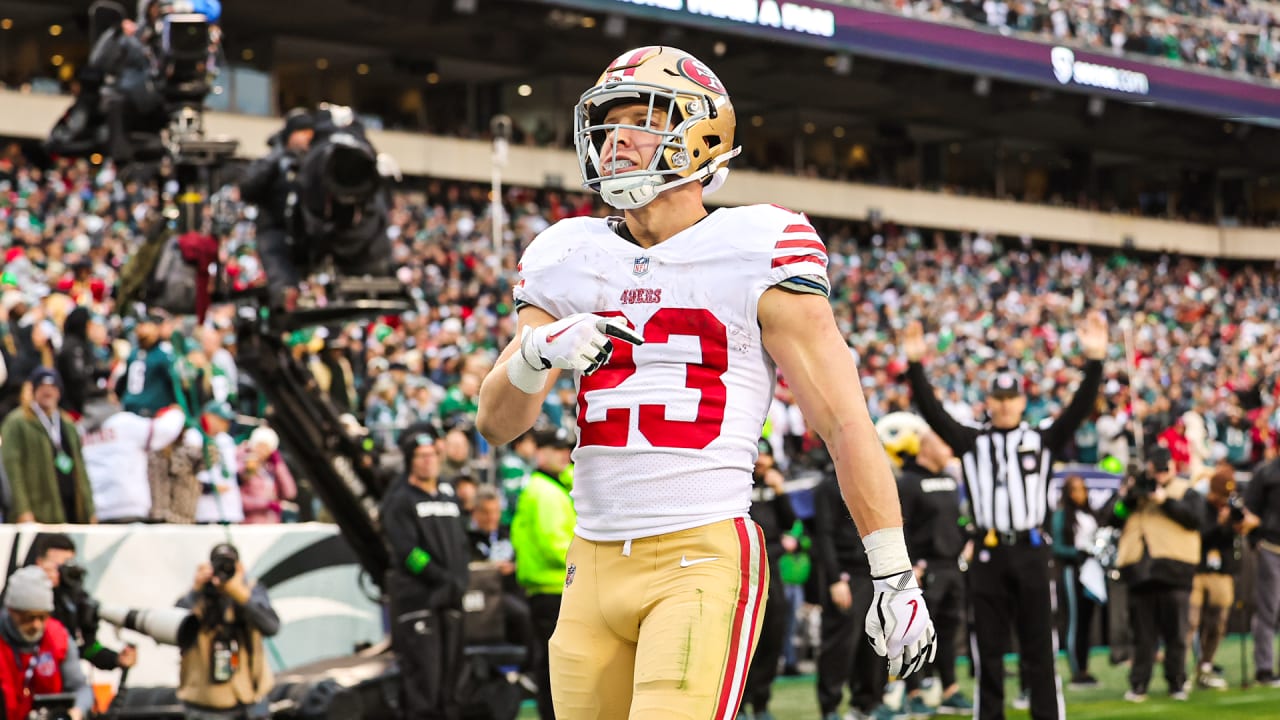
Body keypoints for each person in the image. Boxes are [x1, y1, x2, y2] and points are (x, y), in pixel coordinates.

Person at [476, 45, 935, 720]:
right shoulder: (565, 255)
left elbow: (843, 424)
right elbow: (498, 423)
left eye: (642, 118)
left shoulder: (760, 245)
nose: (617, 139)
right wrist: (533, 356)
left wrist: (893, 572)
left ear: (701, 132)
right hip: (590, 559)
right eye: (607, 124)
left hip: (700, 551)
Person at [902, 315, 1105, 720]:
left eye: (1012, 398)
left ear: (1022, 402)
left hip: (1031, 551)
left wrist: (1096, 361)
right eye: (999, 397)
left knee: (1039, 649)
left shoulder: (1043, 439)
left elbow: (1079, 410)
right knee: (988, 651)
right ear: (988, 402)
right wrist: (915, 365)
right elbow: (933, 412)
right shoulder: (972, 441)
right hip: (989, 554)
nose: (1006, 404)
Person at [380, 425, 471, 720]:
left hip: (452, 600)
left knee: (453, 686)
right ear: (410, 460)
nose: (428, 461)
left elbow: (460, 541)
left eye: (432, 454)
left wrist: (460, 579)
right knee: (424, 685)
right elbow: (409, 554)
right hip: (420, 603)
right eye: (420, 456)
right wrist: (440, 576)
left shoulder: (447, 491)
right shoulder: (400, 499)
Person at [1107, 446, 1203, 702]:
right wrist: (1128, 496)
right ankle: (1139, 684)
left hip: (1175, 571)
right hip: (1140, 573)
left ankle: (1177, 682)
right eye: (1154, 471)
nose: (1158, 476)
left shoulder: (1185, 491)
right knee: (1143, 635)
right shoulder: (1136, 493)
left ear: (1172, 467)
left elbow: (1196, 519)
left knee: (1176, 633)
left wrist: (1165, 501)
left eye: (1163, 470)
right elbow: (1112, 518)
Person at [896, 428, 973, 715]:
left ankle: (949, 689)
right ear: (926, 448)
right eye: (944, 444)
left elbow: (957, 520)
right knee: (914, 631)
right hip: (922, 569)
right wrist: (910, 565)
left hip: (951, 567)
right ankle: (913, 691)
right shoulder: (908, 483)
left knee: (949, 630)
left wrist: (967, 542)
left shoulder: (949, 480)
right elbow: (902, 526)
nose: (950, 451)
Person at [510, 426, 577, 720]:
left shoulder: (554, 484)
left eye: (566, 449)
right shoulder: (543, 490)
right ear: (541, 452)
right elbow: (555, 545)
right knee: (556, 666)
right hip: (552, 588)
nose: (565, 454)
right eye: (557, 449)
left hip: (555, 587)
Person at [176, 543, 279, 720]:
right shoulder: (198, 594)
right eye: (218, 565)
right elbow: (175, 628)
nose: (223, 571)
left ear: (239, 567)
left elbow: (271, 626)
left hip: (252, 701)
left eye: (229, 565)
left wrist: (237, 591)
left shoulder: (250, 590)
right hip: (206, 706)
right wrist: (195, 590)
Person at [740, 439, 796, 720]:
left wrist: (780, 490)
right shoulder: (739, 484)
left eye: (766, 457)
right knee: (743, 639)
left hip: (771, 569)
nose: (762, 461)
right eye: (758, 456)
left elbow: (789, 523)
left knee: (773, 635)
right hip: (741, 567)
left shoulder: (774, 486)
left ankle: (761, 703)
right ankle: (739, 705)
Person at [239, 108, 315, 311]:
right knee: (281, 280)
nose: (307, 138)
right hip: (274, 229)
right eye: (302, 132)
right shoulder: (273, 161)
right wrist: (278, 159)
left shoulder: (314, 164)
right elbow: (248, 188)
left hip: (305, 232)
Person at [1, 367, 97, 523]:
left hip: (71, 510)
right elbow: (12, 469)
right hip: (39, 512)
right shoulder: (17, 422)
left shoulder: (67, 423)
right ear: (34, 391)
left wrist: (90, 510)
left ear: (59, 392)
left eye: (53, 387)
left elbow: (82, 469)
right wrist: (22, 510)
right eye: (43, 388)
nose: (48, 392)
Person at [30, 533, 138, 672]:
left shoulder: (75, 597)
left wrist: (116, 659)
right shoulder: (21, 593)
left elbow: (88, 648)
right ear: (40, 563)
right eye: (57, 566)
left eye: (68, 565)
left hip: (65, 677)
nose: (63, 571)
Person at [1190, 468, 1257, 689]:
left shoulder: (1233, 507)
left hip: (1223, 572)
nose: (1222, 500)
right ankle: (1181, 673)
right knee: (1190, 622)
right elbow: (1198, 538)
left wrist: (1238, 524)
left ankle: (1206, 666)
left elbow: (1237, 536)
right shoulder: (1200, 505)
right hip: (1199, 570)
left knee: (1217, 623)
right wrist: (1219, 524)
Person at [0, 566, 94, 720]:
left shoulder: (59, 638)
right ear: (11, 611)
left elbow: (82, 688)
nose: (36, 625)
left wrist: (75, 713)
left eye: (42, 617)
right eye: (28, 617)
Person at [81, 401, 187, 523]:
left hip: (95, 511)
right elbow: (163, 431)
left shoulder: (81, 428)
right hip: (128, 509)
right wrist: (177, 413)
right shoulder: (123, 422)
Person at [1051, 474, 1105, 688]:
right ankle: (1077, 670)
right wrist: (1077, 552)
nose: (1079, 494)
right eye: (1074, 489)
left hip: (1092, 571)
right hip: (1072, 571)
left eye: (1082, 489)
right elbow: (1056, 546)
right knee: (1075, 620)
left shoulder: (1090, 514)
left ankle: (1085, 667)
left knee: (1087, 620)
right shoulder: (1062, 515)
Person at [1244, 452, 1280, 686]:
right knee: (1269, 610)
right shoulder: (1266, 472)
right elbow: (1250, 511)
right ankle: (1264, 669)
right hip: (1271, 546)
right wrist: (1255, 540)